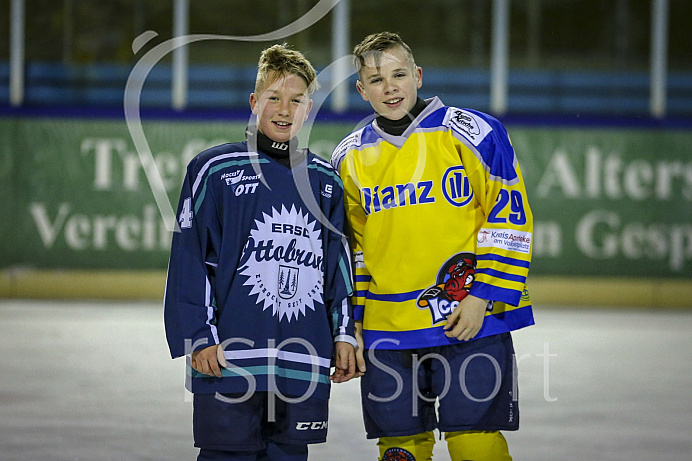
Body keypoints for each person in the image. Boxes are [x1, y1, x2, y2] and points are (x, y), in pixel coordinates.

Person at [331, 32, 535, 461]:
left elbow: (509, 214)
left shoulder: (472, 132)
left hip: (469, 320)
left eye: (399, 74)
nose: (390, 88)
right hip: (388, 330)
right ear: (361, 89)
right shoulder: (348, 157)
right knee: (399, 451)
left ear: (418, 76)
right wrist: (358, 321)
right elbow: (359, 252)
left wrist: (482, 295)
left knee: (474, 444)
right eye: (376, 79)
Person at [164, 43, 357, 461]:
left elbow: (337, 267)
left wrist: (344, 333)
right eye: (274, 97)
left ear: (309, 109)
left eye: (296, 100)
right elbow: (190, 259)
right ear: (255, 102)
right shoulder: (213, 170)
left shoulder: (326, 182)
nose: (284, 110)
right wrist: (198, 336)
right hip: (230, 360)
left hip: (302, 361)